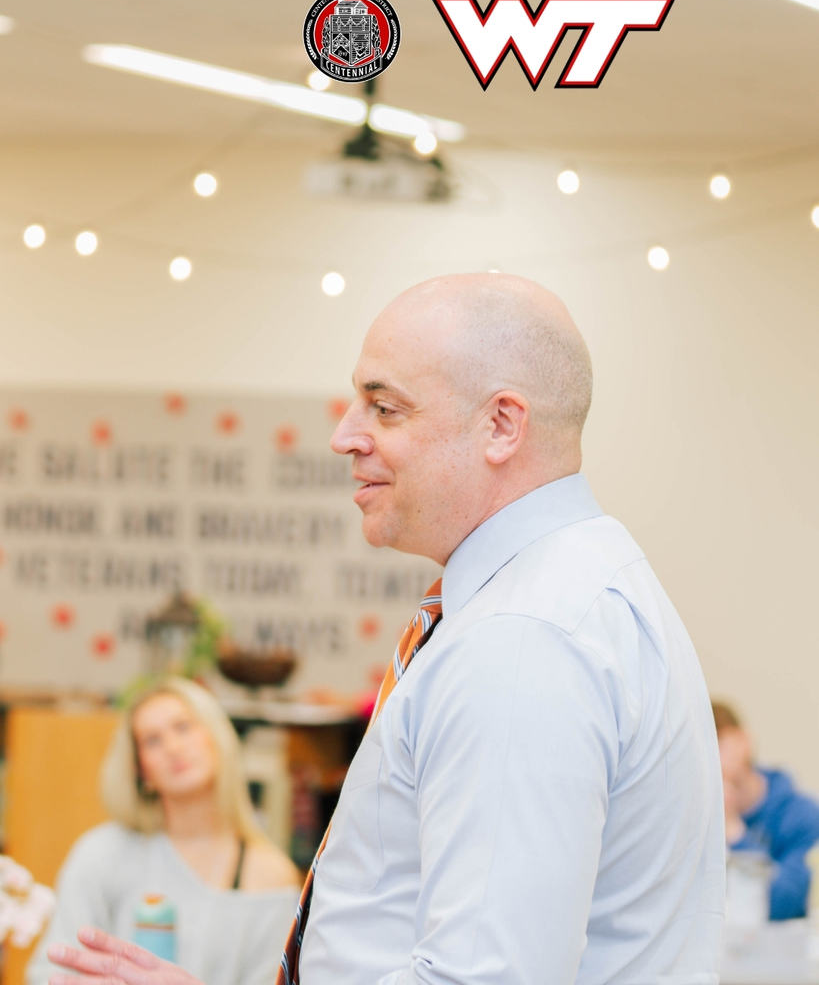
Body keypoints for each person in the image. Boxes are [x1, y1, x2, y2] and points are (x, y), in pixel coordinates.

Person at [49, 273, 725, 985]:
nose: (345, 435)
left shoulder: (523, 638)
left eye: (384, 407)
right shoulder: (572, 585)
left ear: (501, 424)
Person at [33, 677, 300, 985]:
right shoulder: (102, 854)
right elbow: (48, 973)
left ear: (216, 737)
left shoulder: (272, 876)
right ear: (140, 770)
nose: (173, 747)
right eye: (152, 740)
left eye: (183, 727)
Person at [714, 699, 819, 920]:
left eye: (718, 742)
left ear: (744, 741)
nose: (710, 757)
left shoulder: (802, 814)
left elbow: (785, 903)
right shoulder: (695, 817)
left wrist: (734, 830)